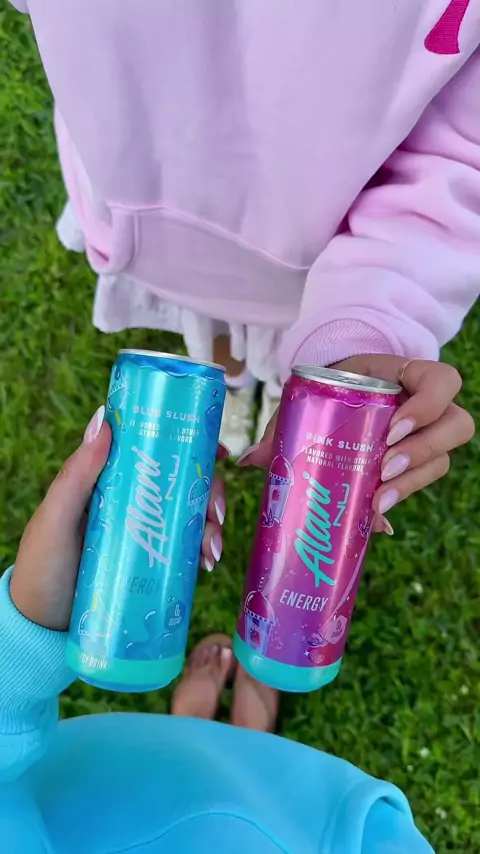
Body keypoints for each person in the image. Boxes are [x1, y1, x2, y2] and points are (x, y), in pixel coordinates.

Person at [7, 0, 479, 464]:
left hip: (325, 258)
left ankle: (285, 390)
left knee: (297, 353)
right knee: (208, 329)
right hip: (151, 222)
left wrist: (356, 339)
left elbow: (462, 145)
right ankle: (231, 386)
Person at [0, 418, 435, 853]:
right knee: (252, 785)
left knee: (170, 761)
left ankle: (195, 731)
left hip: (87, 805)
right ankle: (248, 739)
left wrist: (24, 644)